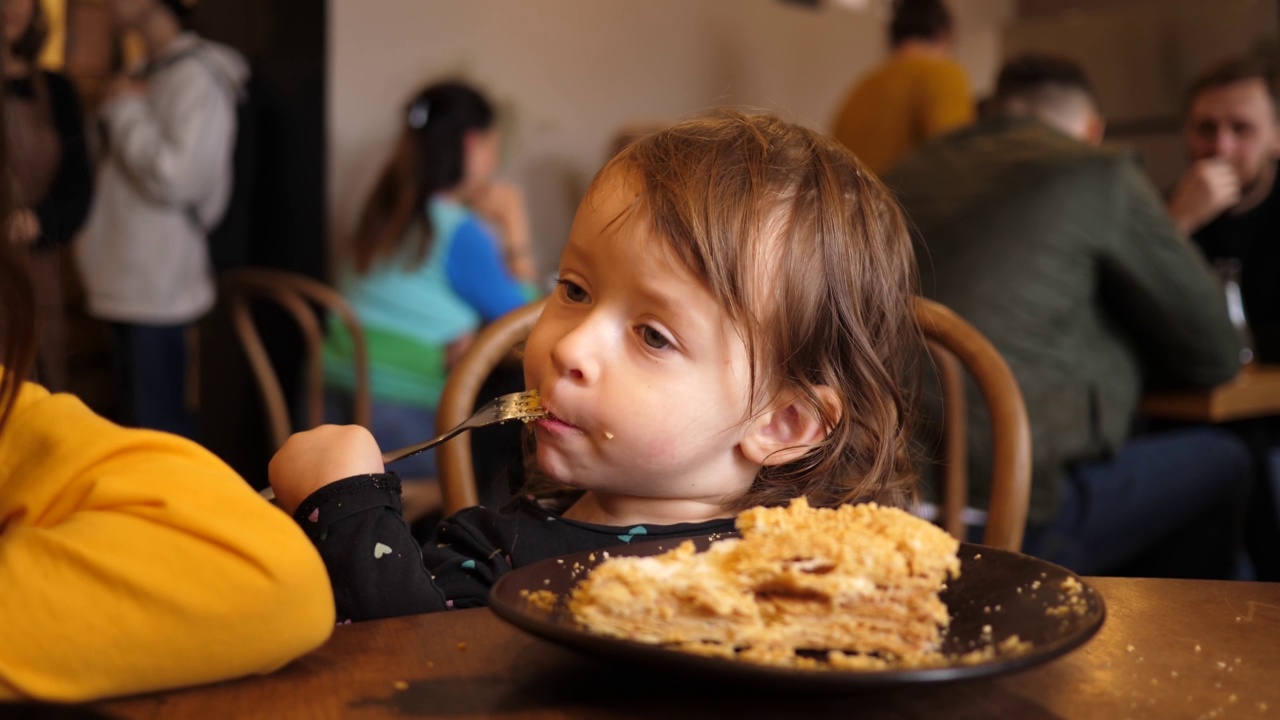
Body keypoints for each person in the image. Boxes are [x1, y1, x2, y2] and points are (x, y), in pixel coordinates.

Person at [268, 110, 923, 622]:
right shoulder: (494, 553)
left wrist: (348, 515)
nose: (569, 347)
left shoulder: (810, 579)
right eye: (575, 289)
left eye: (654, 336)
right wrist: (349, 513)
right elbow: (417, 665)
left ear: (783, 422)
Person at [0, 76, 334, 703]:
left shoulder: (189, 80)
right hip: (135, 285)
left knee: (154, 412)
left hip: (149, 288)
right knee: (148, 406)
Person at [884, 54, 1252, 578]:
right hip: (1004, 524)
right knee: (1225, 460)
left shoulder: (903, 170)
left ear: (990, 112)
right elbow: (1216, 355)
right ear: (1092, 130)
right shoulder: (1097, 169)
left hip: (878, 502)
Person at [322, 80, 538, 486]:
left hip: (327, 398)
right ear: (473, 146)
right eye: (494, 146)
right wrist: (515, 229)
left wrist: (474, 331)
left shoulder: (384, 208)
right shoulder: (459, 230)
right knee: (511, 427)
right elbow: (527, 319)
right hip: (396, 421)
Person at [75, 0, 247, 439]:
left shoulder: (196, 75)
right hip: (123, 274)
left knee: (156, 428)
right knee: (134, 421)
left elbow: (177, 176)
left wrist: (124, 111)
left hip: (156, 284)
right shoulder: (145, 70)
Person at [1167, 55, 1280, 580]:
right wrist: (1179, 224)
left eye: (1243, 129)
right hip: (1192, 415)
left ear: (1276, 136)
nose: (1222, 148)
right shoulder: (1165, 212)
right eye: (1206, 129)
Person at [3, 0, 92, 391]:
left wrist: (39, 221)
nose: (11, 6)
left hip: (38, 269)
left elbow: (79, 185)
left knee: (43, 384)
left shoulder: (57, 89)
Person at [829, 0, 974, 175]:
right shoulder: (944, 74)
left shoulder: (861, 87)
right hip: (902, 201)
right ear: (945, 34)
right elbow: (955, 160)